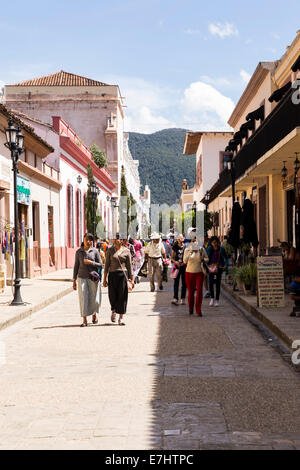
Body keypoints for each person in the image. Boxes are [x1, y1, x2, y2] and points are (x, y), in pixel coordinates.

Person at [103, 234, 134, 325]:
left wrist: (131, 280)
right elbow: (106, 266)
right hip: (112, 275)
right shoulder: (110, 251)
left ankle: (121, 317)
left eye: (118, 239)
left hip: (123, 276)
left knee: (122, 296)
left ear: (121, 240)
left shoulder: (126, 251)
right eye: (115, 239)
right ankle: (113, 310)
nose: (116, 240)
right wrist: (104, 279)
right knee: (112, 295)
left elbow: (129, 266)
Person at [73, 233, 102, 327]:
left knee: (94, 298)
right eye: (86, 239)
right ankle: (84, 319)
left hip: (93, 278)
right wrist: (74, 280)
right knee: (83, 298)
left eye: (90, 240)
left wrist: (91, 262)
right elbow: (76, 266)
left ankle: (94, 314)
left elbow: (101, 264)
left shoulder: (95, 251)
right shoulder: (79, 252)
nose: (88, 241)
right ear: (83, 240)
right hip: (82, 277)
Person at [183, 240, 208, 316]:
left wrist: (203, 259)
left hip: (199, 272)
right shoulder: (187, 250)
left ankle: (198, 310)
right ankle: (191, 308)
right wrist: (190, 252)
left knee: (199, 291)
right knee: (191, 292)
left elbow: (207, 258)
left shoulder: (201, 249)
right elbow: (184, 261)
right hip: (189, 272)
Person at [206, 236, 228, 307]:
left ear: (218, 242)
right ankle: (212, 298)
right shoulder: (209, 249)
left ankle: (217, 300)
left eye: (216, 242)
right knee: (211, 283)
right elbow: (206, 258)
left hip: (219, 268)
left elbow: (226, 257)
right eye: (213, 243)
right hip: (211, 268)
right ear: (211, 243)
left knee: (218, 284)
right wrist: (207, 264)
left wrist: (226, 265)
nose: (214, 244)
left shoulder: (221, 249)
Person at [171, 234, 187, 305]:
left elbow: (187, 256)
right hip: (177, 267)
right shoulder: (175, 246)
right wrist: (175, 262)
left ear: (183, 238)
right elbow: (171, 258)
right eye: (178, 238)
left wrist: (184, 262)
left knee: (184, 283)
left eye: (181, 238)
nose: (180, 239)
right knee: (176, 283)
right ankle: (175, 298)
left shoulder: (186, 247)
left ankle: (183, 298)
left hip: (184, 267)